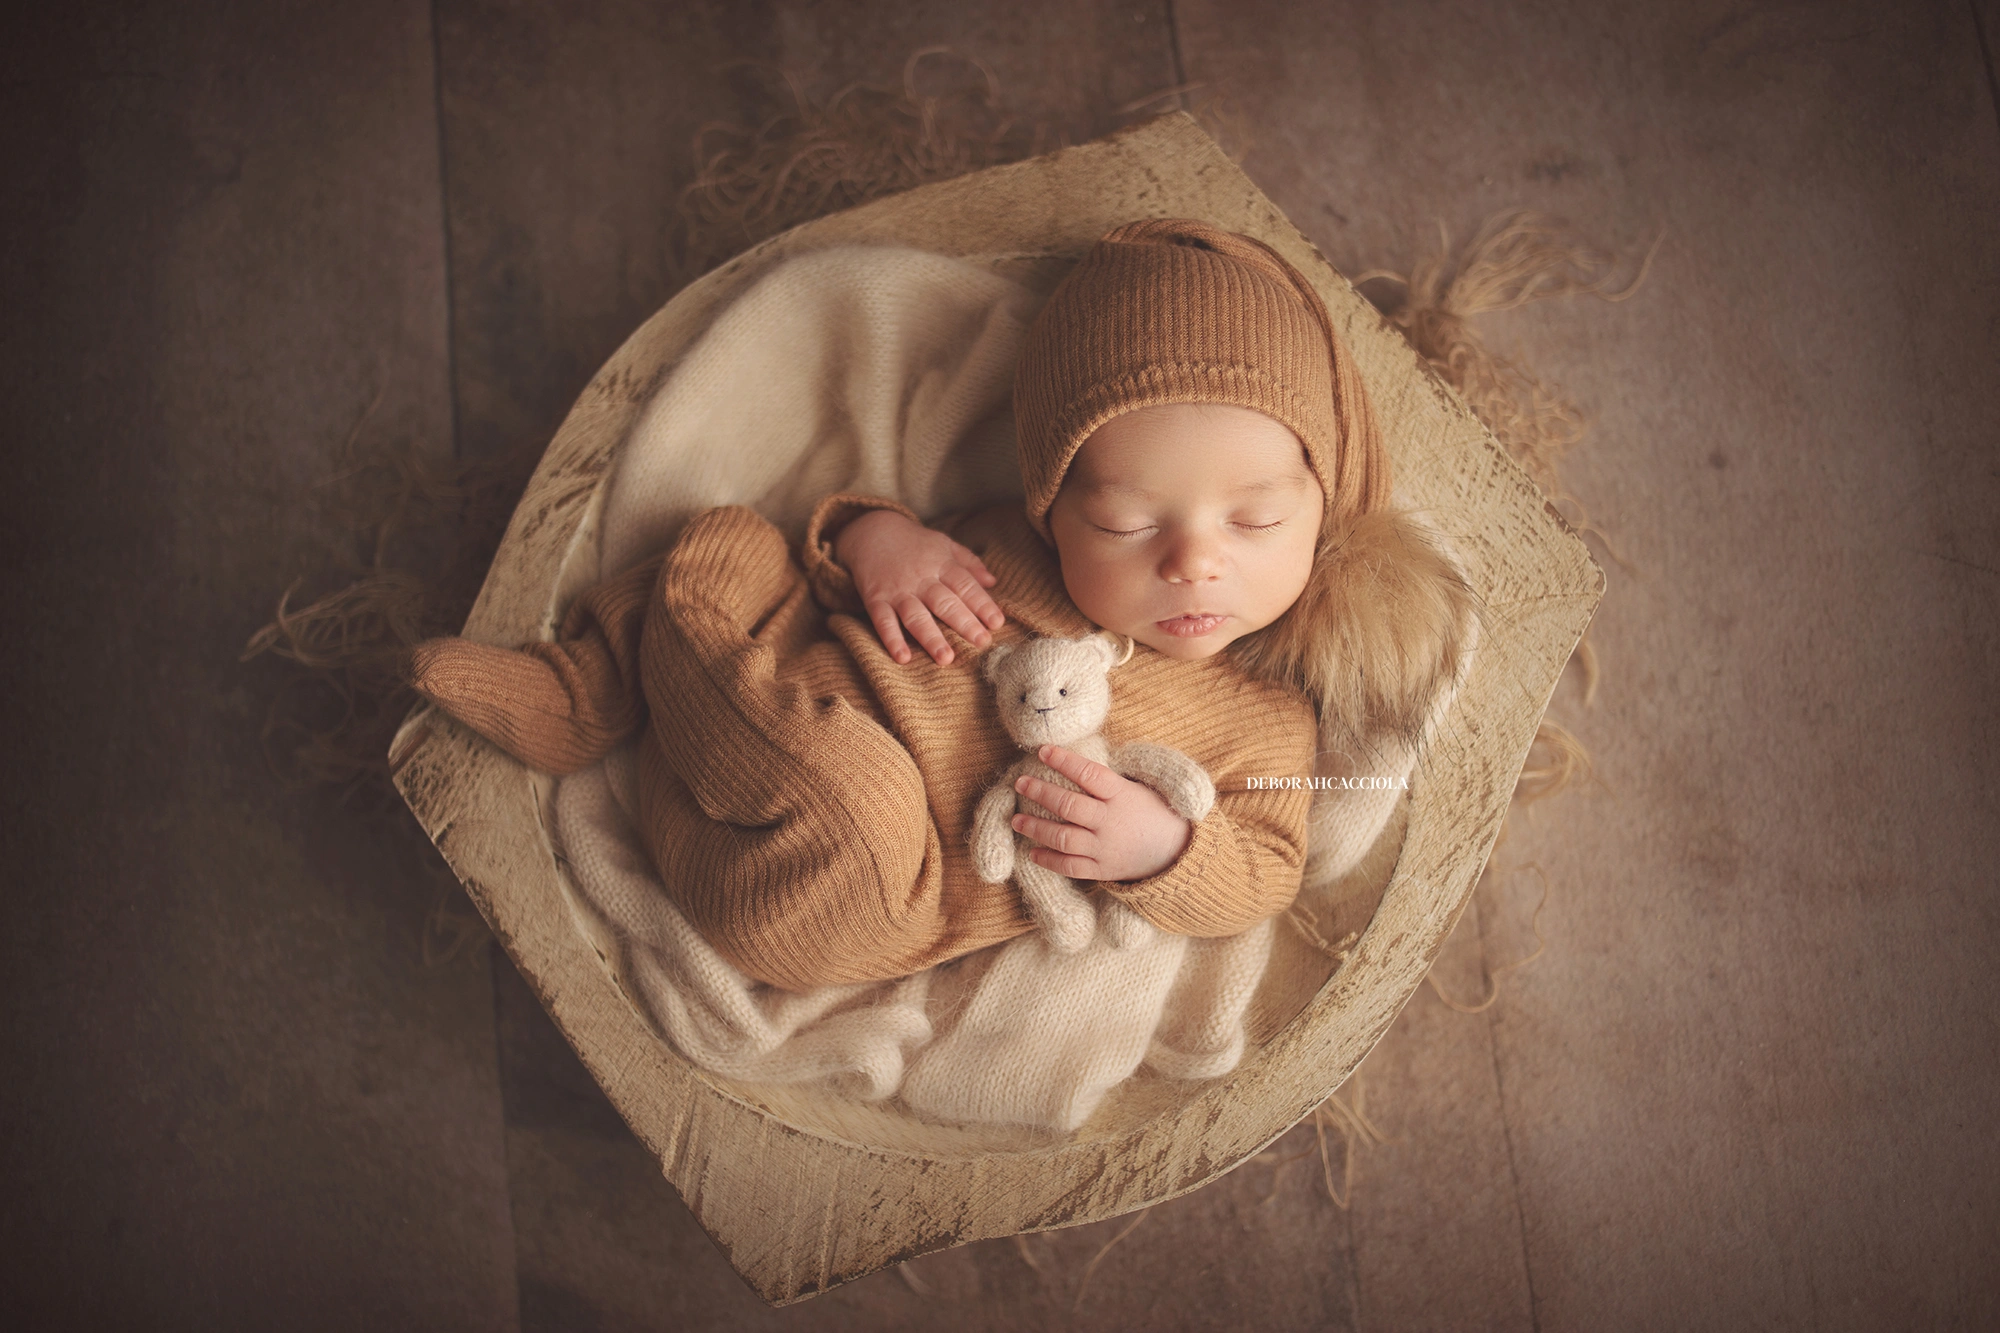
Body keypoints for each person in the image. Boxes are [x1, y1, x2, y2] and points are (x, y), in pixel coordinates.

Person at [405, 218, 1474, 991]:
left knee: (860, 788)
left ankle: (640, 678)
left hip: (852, 890)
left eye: (1253, 525)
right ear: (1054, 507)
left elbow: (1266, 870)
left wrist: (1161, 848)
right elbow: (825, 565)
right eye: (1124, 523)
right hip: (743, 745)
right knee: (723, 541)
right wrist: (879, 541)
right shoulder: (1006, 541)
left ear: (1325, 510)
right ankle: (583, 692)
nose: (1194, 564)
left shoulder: (1268, 720)